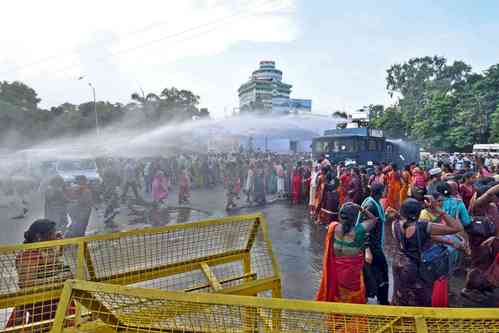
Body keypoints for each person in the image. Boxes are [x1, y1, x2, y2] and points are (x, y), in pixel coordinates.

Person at [391, 198, 463, 306]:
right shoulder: (423, 227)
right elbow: (456, 227)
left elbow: (424, 235)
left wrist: (448, 241)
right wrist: (438, 210)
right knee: (421, 299)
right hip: (414, 268)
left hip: (399, 264)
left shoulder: (395, 224)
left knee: (401, 295)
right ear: (419, 213)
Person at [6, 220, 73, 328]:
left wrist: (59, 245)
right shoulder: (29, 255)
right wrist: (59, 280)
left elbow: (52, 261)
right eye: (52, 233)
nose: (55, 236)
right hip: (40, 301)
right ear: (39, 236)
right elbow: (27, 283)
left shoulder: (44, 251)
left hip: (53, 297)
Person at [317, 203, 378, 304]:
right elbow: (373, 220)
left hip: (336, 276)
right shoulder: (359, 231)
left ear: (340, 216)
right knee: (353, 301)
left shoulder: (333, 227)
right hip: (352, 279)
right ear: (354, 218)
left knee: (339, 299)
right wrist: (361, 208)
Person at [360, 183, 389, 305]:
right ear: (380, 192)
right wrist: (367, 249)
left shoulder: (375, 202)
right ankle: (381, 301)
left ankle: (377, 298)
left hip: (375, 243)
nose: (387, 191)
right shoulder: (370, 205)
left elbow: (377, 222)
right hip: (372, 246)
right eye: (385, 190)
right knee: (379, 271)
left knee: (375, 272)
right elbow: (364, 227)